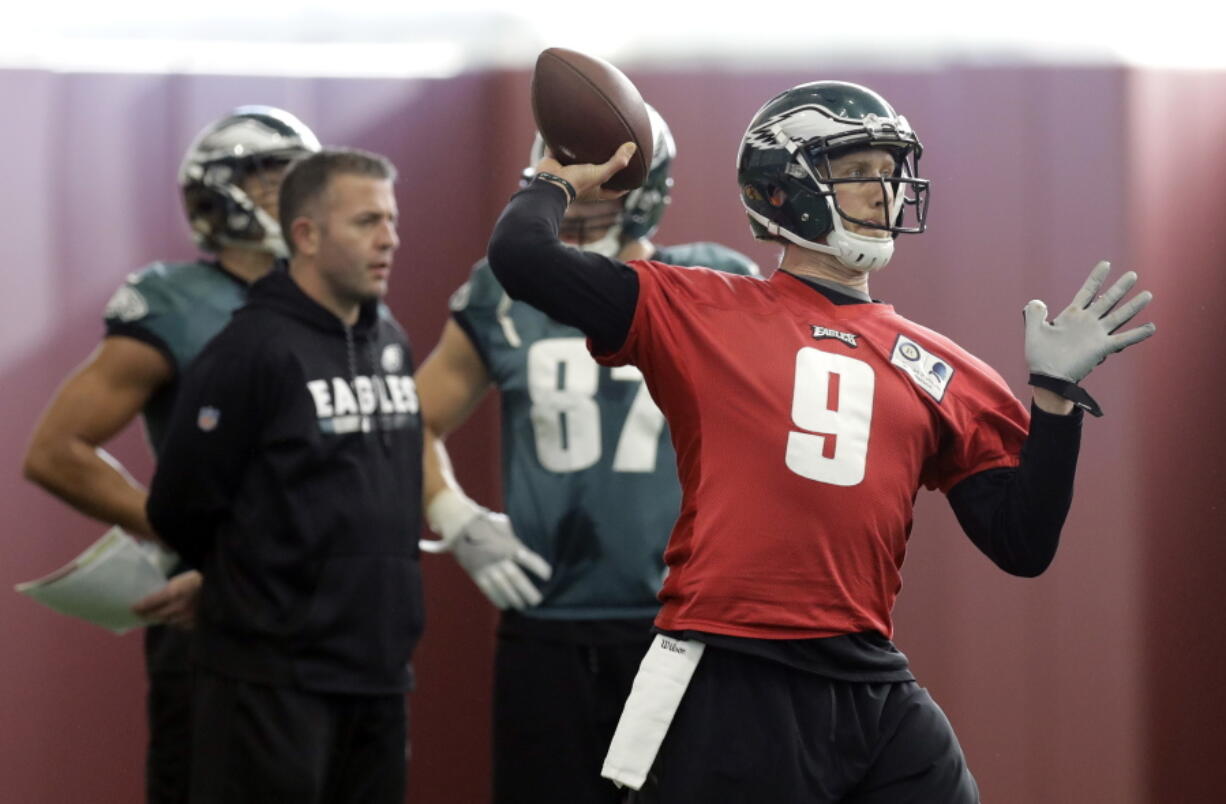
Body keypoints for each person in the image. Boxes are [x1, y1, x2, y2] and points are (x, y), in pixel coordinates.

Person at [484, 81, 1156, 803]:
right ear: (783, 191)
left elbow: (1022, 544)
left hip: (866, 676)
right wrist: (551, 179)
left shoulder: (941, 366)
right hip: (731, 664)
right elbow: (522, 258)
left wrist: (1055, 402)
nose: (884, 191)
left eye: (888, 171)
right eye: (857, 170)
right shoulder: (696, 305)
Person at [414, 106, 758, 804]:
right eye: (564, 185)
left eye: (599, 185)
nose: (576, 208)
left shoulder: (708, 281)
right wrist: (452, 513)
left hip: (682, 625)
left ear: (645, 189)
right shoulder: (502, 289)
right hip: (547, 626)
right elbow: (406, 424)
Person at [21, 106, 320, 803]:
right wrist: (187, 531)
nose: (298, 193)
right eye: (276, 178)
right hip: (213, 610)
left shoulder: (334, 300)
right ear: (221, 191)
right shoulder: (178, 301)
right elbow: (56, 450)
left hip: (323, 609)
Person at [145, 147, 422, 803]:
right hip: (271, 681)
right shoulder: (250, 351)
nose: (390, 239)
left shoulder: (392, 341)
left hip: (379, 674)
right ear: (306, 234)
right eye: (366, 222)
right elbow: (180, 506)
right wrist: (235, 577)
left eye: (391, 219)